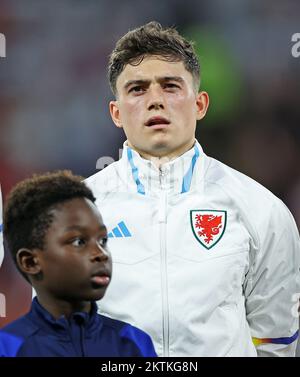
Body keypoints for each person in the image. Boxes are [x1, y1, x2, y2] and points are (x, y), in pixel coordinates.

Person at [86, 21, 300, 357]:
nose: (155, 101)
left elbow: (278, 343)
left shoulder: (260, 208)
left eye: (170, 87)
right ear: (116, 112)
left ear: (200, 104)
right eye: (138, 89)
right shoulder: (74, 213)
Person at [0, 170, 157, 357]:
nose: (101, 254)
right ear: (31, 261)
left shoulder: (133, 343)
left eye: (103, 240)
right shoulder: (8, 348)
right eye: (78, 242)